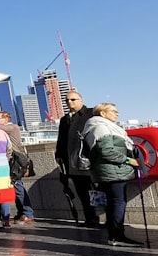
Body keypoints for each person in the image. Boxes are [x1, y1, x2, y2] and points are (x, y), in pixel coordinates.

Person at [83, 103, 142, 247]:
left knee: (113, 202)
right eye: (113, 111)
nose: (117, 114)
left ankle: (114, 235)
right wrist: (128, 159)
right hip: (113, 171)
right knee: (118, 202)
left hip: (108, 171)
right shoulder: (102, 127)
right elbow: (106, 151)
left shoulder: (94, 126)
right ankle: (117, 235)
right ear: (102, 113)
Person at [55, 90, 98, 228]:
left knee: (97, 190)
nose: (70, 102)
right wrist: (59, 155)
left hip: (89, 161)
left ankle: (108, 217)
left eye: (73, 99)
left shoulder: (91, 113)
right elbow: (61, 139)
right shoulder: (64, 119)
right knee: (82, 192)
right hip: (72, 162)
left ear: (81, 100)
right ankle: (90, 218)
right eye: (67, 100)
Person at [0, 110, 35, 224]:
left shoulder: (12, 127)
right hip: (11, 161)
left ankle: (28, 213)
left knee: (18, 187)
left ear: (6, 119)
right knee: (16, 187)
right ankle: (21, 213)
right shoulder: (7, 129)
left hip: (14, 162)